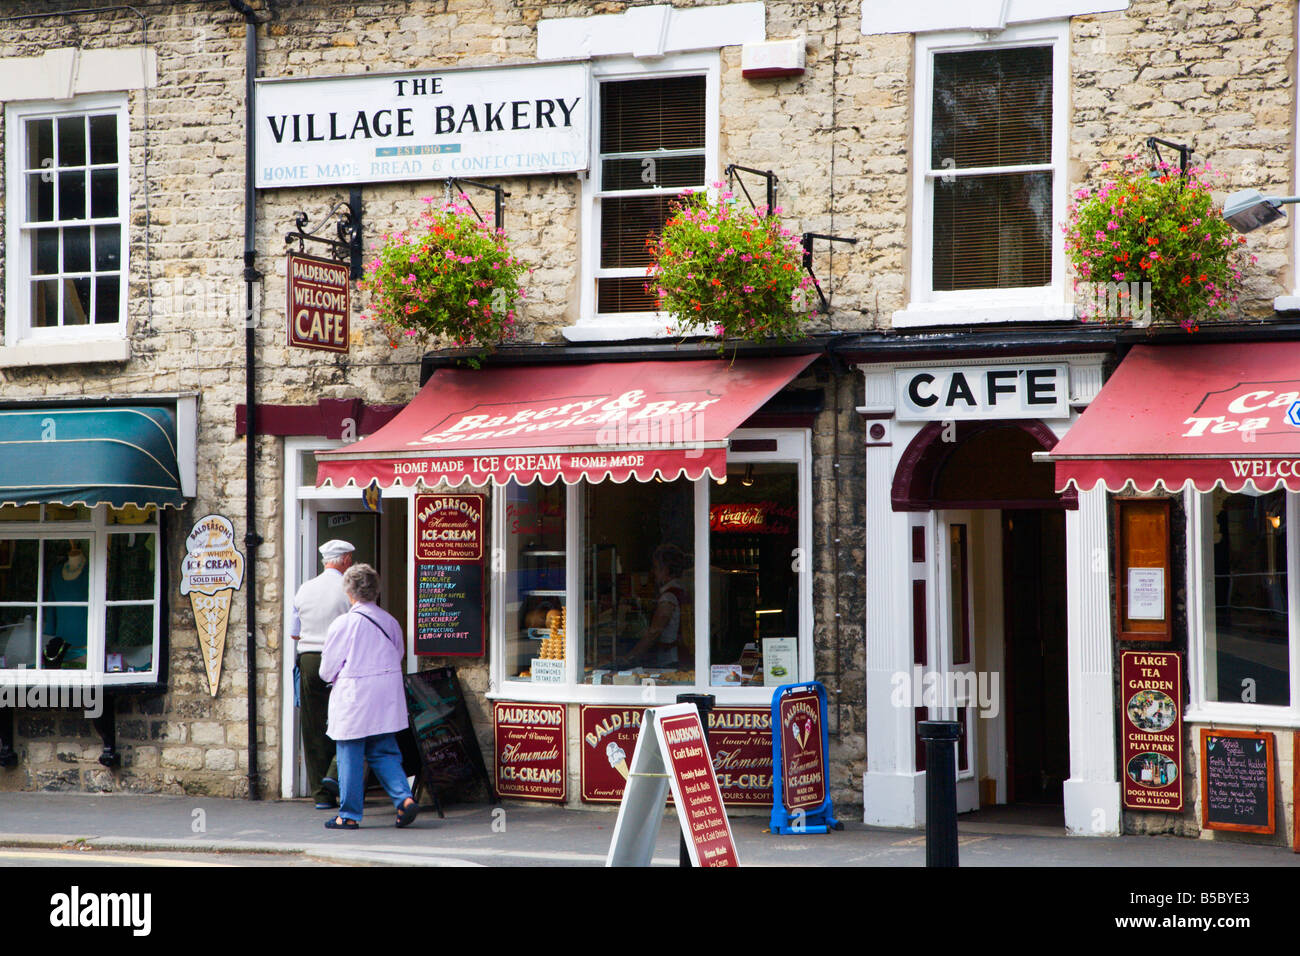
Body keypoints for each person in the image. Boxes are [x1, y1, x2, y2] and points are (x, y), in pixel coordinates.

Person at [319, 563, 419, 830]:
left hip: (355, 696)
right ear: (375, 590)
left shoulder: (344, 623)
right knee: (384, 750)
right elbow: (398, 654)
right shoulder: (391, 622)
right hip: (386, 694)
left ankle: (349, 814)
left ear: (349, 592)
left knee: (350, 752)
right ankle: (404, 799)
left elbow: (327, 670)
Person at [290, 539, 354, 810]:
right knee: (349, 720)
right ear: (346, 560)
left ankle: (321, 795)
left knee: (314, 726)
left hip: (309, 660)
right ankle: (336, 775)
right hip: (340, 659)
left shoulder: (305, 589)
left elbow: (295, 632)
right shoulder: (348, 589)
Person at [627, 543, 691, 669]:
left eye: (656, 568)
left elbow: (655, 631)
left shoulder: (669, 597)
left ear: (665, 570)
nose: (653, 572)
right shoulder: (682, 590)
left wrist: (630, 656)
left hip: (671, 658)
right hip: (683, 655)